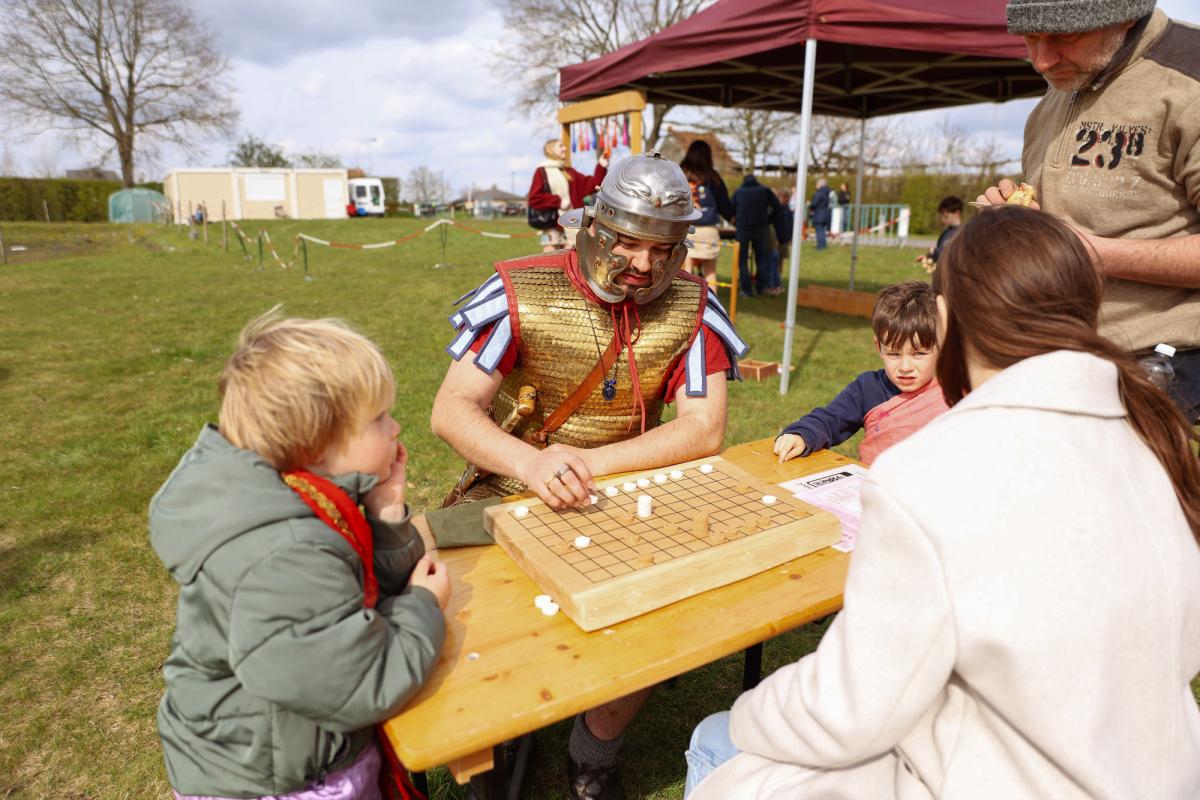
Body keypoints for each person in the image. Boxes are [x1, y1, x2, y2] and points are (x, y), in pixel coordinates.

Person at [686, 206, 1200, 799]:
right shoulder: (1152, 440)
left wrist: (751, 713)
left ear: (950, 315)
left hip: (1004, 778)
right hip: (1156, 773)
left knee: (718, 736)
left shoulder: (932, 473)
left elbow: (848, 708)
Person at [432, 153, 748, 800]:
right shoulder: (519, 289)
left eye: (663, 249)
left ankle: (595, 742)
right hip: (511, 487)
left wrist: (589, 466)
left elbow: (703, 428)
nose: (643, 264)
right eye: (628, 243)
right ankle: (497, 734)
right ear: (595, 225)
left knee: (661, 610)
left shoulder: (693, 305)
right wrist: (531, 462)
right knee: (470, 619)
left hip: (626, 491)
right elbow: (451, 408)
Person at [151, 312, 450, 800]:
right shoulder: (285, 553)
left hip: (296, 746)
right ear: (317, 443)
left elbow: (350, 598)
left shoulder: (303, 495)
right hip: (280, 780)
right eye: (379, 418)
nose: (395, 426)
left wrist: (387, 511)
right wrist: (423, 605)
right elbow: (364, 683)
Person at [978, 0, 1200, 421]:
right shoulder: (1058, 93)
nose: (1042, 61)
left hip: (1161, 372)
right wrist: (1016, 222)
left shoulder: (1191, 78)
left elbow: (1083, 243)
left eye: (1066, 35)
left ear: (1125, 15)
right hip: (1058, 354)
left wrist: (1094, 254)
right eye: (1030, 38)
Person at [774, 280, 948, 466]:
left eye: (919, 354)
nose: (905, 367)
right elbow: (830, 419)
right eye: (893, 354)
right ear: (878, 346)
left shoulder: (950, 393)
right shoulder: (868, 388)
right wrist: (801, 435)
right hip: (874, 488)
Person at [528, 138, 608, 253]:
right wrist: (558, 201)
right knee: (551, 264)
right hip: (552, 227)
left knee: (571, 262)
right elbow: (535, 198)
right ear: (551, 150)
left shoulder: (569, 172)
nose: (565, 149)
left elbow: (593, 183)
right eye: (560, 146)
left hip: (572, 225)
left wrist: (601, 165)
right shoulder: (542, 171)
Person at [679, 140, 734, 289]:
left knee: (685, 272)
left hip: (685, 230)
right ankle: (712, 310)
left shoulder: (679, 174)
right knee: (710, 274)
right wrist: (734, 219)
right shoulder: (713, 177)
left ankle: (685, 310)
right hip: (709, 231)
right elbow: (725, 206)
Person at [730, 173, 780, 297]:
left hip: (743, 228)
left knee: (742, 260)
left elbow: (731, 209)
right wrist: (768, 220)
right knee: (761, 259)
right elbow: (777, 206)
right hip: (761, 228)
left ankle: (746, 290)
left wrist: (737, 222)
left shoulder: (739, 192)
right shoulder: (765, 190)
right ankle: (760, 288)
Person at [915, 195, 963, 268]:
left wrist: (934, 251)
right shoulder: (945, 233)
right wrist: (928, 257)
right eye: (941, 215)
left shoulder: (963, 234)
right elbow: (940, 252)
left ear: (957, 213)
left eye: (945, 215)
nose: (942, 219)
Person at [807, 178, 832, 250]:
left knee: (819, 230)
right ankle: (822, 245)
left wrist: (810, 204)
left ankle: (820, 246)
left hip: (819, 214)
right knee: (822, 231)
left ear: (820, 185)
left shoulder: (819, 193)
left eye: (817, 184)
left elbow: (814, 204)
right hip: (825, 214)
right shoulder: (827, 193)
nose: (816, 186)